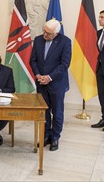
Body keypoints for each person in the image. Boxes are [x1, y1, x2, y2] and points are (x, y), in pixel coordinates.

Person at [30, 19, 71, 151]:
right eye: (44, 31)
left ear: (56, 34)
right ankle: (45, 136)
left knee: (57, 112)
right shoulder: (38, 40)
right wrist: (37, 75)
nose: (44, 35)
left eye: (48, 33)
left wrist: (49, 77)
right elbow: (33, 60)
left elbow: (64, 64)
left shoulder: (65, 42)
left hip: (57, 83)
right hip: (41, 82)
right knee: (44, 112)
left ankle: (55, 138)